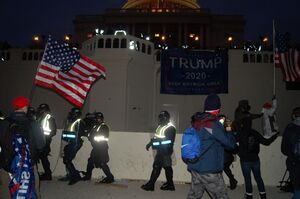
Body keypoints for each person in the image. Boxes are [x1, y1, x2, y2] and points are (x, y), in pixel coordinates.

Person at [186, 94, 236, 199]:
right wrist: (229, 128)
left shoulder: (195, 121)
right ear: (218, 108)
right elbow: (230, 145)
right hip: (210, 170)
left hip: (195, 167)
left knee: (193, 196)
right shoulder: (214, 125)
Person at [0, 96, 45, 198]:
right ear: (25, 107)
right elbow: (41, 144)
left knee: (6, 192)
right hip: (28, 166)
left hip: (7, 166)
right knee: (32, 191)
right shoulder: (33, 123)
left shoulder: (3, 123)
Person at [237, 116, 278, 199]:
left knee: (247, 179)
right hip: (255, 160)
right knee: (258, 178)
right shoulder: (255, 133)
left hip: (245, 160)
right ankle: (263, 196)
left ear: (242, 124)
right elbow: (266, 142)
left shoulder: (240, 133)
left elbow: (231, 142)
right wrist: (275, 135)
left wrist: (238, 152)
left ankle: (249, 196)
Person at [141, 110, 176, 191]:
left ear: (166, 118)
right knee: (164, 167)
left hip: (165, 151)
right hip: (161, 150)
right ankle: (169, 184)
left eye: (161, 118)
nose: (159, 120)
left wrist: (155, 144)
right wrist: (150, 143)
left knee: (160, 167)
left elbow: (168, 141)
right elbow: (157, 137)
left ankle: (152, 185)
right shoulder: (160, 126)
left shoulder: (170, 128)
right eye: (159, 118)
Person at [82, 112, 114, 183]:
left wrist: (91, 137)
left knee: (102, 163)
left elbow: (100, 137)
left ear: (102, 119)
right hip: (96, 148)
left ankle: (110, 177)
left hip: (102, 148)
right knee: (90, 161)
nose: (98, 120)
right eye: (97, 118)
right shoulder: (95, 126)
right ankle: (88, 176)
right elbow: (89, 135)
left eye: (99, 119)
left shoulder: (104, 126)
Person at [59, 107, 84, 185]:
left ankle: (75, 176)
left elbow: (78, 135)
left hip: (75, 143)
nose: (70, 114)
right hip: (69, 142)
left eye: (72, 113)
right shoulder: (70, 121)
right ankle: (71, 175)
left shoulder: (79, 122)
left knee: (67, 160)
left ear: (76, 114)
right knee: (66, 159)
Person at [281, 107, 300, 199]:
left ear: (293, 116)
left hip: (293, 162)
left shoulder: (289, 128)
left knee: (296, 186)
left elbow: (284, 149)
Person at [36, 103, 57, 181]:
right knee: (41, 158)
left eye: (42, 110)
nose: (40, 111)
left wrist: (46, 137)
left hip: (45, 141)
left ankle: (48, 175)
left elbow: (53, 131)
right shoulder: (39, 118)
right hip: (38, 141)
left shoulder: (50, 118)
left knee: (44, 158)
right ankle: (46, 174)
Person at [219, 115, 238, 190]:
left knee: (222, 168)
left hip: (225, 153)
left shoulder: (225, 128)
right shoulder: (228, 127)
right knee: (225, 168)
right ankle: (232, 181)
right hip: (227, 153)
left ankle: (231, 181)